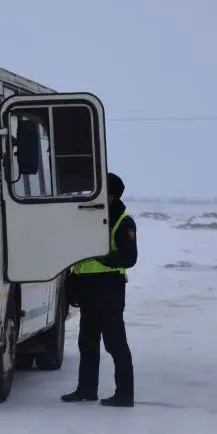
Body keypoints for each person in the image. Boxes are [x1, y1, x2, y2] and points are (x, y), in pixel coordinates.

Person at [61, 172, 138, 407]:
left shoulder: (123, 221)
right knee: (87, 342)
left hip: (109, 287)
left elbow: (130, 257)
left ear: (112, 195)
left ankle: (125, 394)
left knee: (115, 343)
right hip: (88, 288)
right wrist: (73, 284)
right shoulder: (91, 218)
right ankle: (86, 389)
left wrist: (104, 258)